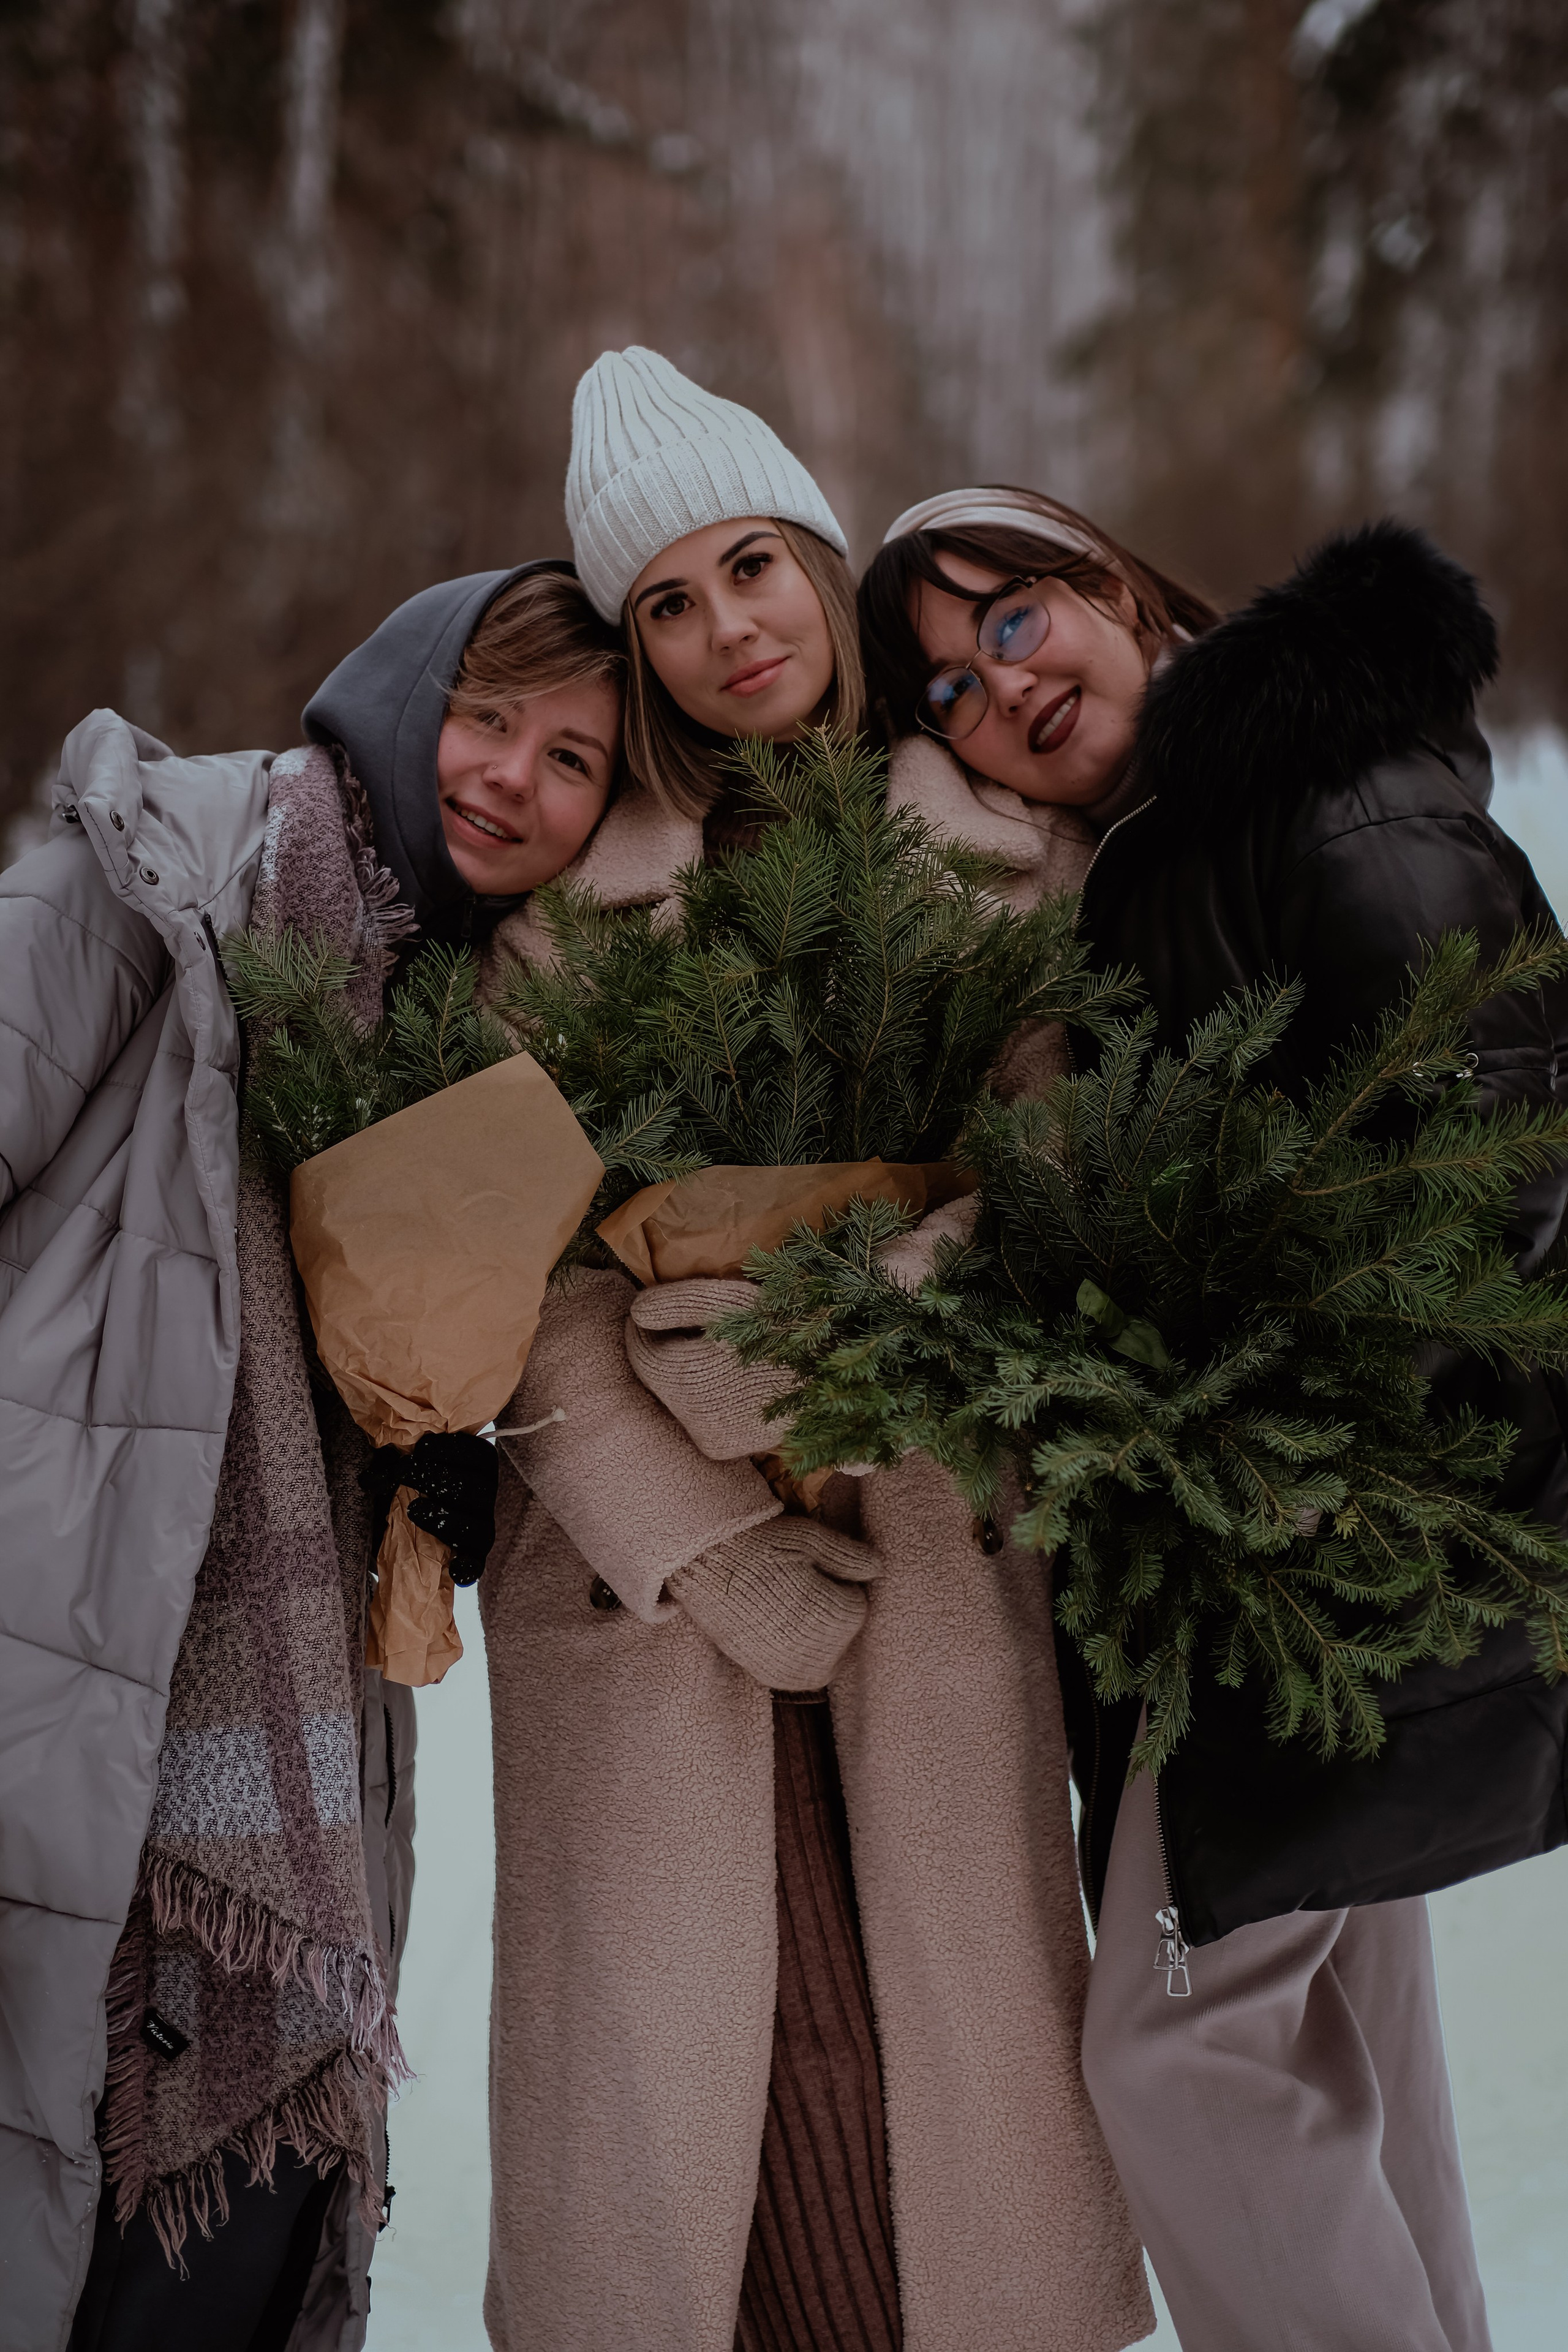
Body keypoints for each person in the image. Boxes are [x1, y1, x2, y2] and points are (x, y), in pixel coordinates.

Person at [481, 353, 1152, 2352]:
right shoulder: (562, 937)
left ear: (822, 561)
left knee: (925, 2139)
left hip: (927, 1557)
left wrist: (863, 1335)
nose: (721, 633)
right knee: (709, 2167)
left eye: (750, 567)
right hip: (651, 1609)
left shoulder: (1005, 867)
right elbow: (509, 1281)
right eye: (665, 606)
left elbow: (1061, 1161)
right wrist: (694, 1529)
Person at [859, 484, 1568, 2352]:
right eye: (941, 690)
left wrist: (1318, 1453)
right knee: (1348, 2040)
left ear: (1107, 580)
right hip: (1269, 1541)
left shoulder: (1327, 791)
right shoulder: (1172, 845)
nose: (993, 694)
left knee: (1182, 2048)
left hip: (1335, 1526)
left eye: (1009, 624)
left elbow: (1494, 1141)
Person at [0, 558, 633, 2352]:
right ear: (402, 686)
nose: (510, 776)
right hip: (55, 1628)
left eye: (573, 761)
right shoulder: (171, 866)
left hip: (278, 1748)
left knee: (224, 2222)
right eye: (488, 715)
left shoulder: (475, 1042)